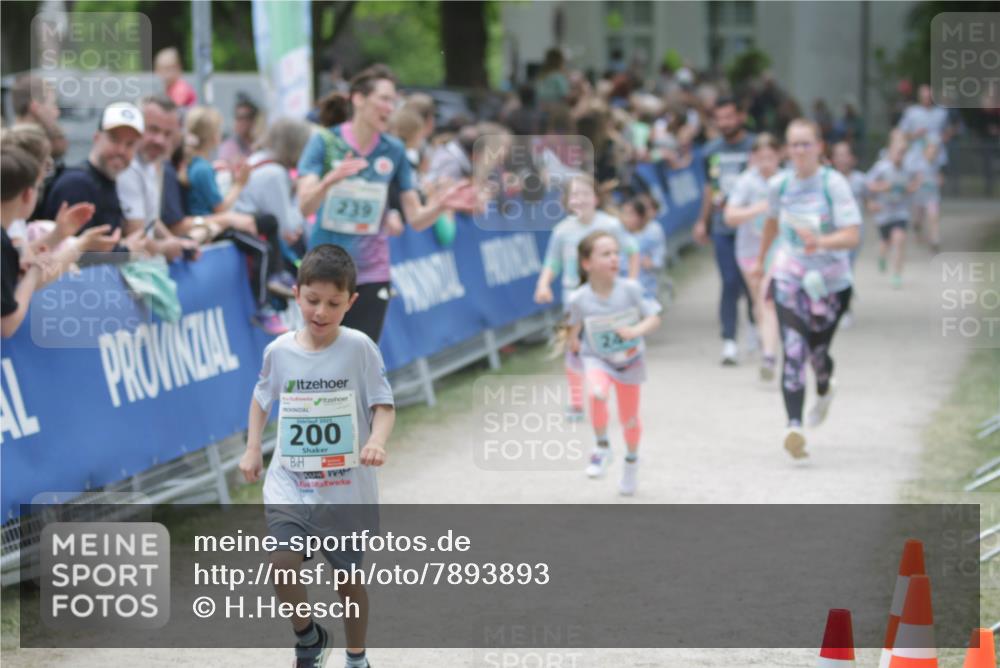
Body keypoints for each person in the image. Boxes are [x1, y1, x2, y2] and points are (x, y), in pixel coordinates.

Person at [239, 244, 393, 668]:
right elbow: (260, 398)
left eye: (333, 303)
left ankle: (357, 656)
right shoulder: (279, 351)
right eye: (312, 301)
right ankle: (308, 636)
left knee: (348, 580)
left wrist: (377, 440)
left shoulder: (360, 348)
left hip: (345, 489)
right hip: (291, 480)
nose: (321, 312)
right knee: (282, 562)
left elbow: (384, 404)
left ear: (351, 302)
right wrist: (253, 448)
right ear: (296, 293)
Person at [297, 64, 475, 342]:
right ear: (358, 98)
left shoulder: (394, 149)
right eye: (384, 99)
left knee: (360, 358)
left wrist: (442, 204)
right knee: (323, 359)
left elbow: (415, 218)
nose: (390, 107)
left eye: (394, 101)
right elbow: (305, 206)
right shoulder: (325, 142)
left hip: (371, 271)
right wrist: (328, 182)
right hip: (324, 269)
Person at [756, 119, 861, 459]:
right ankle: (794, 426)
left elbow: (853, 235)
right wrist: (761, 262)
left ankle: (826, 387)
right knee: (794, 348)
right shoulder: (780, 185)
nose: (799, 151)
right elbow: (771, 223)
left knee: (817, 353)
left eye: (806, 144)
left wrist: (821, 241)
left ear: (819, 147)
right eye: (794, 145)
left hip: (831, 283)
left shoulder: (835, 185)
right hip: (790, 275)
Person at [181, 105, 294, 334]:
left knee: (269, 221)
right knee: (260, 250)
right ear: (214, 136)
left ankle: (277, 273)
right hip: (214, 227)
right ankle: (263, 308)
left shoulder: (200, 166)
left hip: (217, 221)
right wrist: (240, 184)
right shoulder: (202, 169)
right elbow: (222, 208)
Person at [535, 174, 639, 419]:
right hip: (573, 295)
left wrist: (632, 282)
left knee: (612, 343)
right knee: (573, 345)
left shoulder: (610, 226)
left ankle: (614, 388)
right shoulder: (562, 231)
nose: (579, 199)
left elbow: (632, 251)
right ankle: (576, 401)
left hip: (607, 296)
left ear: (596, 197)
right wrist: (543, 284)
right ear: (566, 201)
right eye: (574, 194)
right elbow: (553, 261)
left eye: (585, 193)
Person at [566, 230, 662, 495]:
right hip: (597, 358)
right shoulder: (580, 298)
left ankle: (631, 461)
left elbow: (654, 317)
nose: (614, 259)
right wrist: (572, 340)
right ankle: (602, 447)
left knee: (629, 419)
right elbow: (573, 323)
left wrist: (636, 331)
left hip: (630, 363)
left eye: (616, 253)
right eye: (605, 254)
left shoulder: (630, 290)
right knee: (597, 393)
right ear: (587, 263)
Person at [40, 102, 147, 262]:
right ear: (97, 137)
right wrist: (125, 251)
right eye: (114, 140)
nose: (121, 150)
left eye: (129, 144)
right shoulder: (77, 184)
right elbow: (68, 257)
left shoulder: (106, 181)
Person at [693, 96, 756, 365]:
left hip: (753, 227)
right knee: (729, 282)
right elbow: (709, 187)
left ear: (741, 116)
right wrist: (702, 221)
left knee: (752, 282)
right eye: (720, 118)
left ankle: (756, 325)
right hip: (722, 226)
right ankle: (729, 340)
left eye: (730, 117)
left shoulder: (755, 146)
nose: (725, 123)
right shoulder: (710, 150)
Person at [724, 132, 782, 381]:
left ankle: (768, 351)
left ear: (779, 156)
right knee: (761, 300)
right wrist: (757, 209)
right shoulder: (746, 182)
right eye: (762, 157)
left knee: (769, 300)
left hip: (780, 250)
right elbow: (729, 216)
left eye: (771, 156)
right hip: (750, 251)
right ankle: (766, 344)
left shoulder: (786, 180)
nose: (766, 162)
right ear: (753, 158)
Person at [116, 95, 200, 262]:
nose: (160, 140)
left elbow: (151, 219)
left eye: (168, 134)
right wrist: (167, 247)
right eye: (153, 129)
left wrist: (174, 242)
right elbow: (137, 235)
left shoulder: (148, 163)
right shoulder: (128, 168)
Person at [866, 131, 919, 289]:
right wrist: (883, 187)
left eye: (903, 153)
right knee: (885, 242)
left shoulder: (908, 168)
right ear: (890, 152)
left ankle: (897, 274)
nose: (900, 156)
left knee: (899, 239)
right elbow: (869, 184)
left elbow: (916, 182)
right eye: (897, 152)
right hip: (884, 212)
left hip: (900, 211)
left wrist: (910, 188)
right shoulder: (881, 167)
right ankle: (882, 257)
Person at [619, 197, 665, 300]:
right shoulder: (619, 233)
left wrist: (652, 263)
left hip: (646, 286)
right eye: (623, 213)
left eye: (630, 214)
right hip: (624, 287)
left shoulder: (652, 232)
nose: (626, 218)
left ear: (640, 216)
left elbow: (658, 256)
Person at [218, 94, 260, 170]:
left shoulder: (259, 144)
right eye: (239, 118)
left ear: (253, 120)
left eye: (247, 117)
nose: (242, 122)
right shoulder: (229, 146)